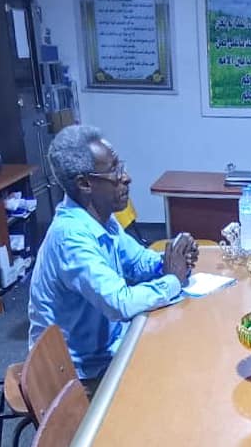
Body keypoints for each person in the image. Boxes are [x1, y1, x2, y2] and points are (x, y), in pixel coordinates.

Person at [28, 125, 197, 390]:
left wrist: (172, 257)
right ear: (85, 184)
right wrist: (173, 279)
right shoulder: (71, 237)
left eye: (121, 166)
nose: (126, 178)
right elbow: (120, 303)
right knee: (181, 380)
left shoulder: (102, 219)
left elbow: (137, 262)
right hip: (78, 376)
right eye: (115, 172)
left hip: (109, 348)